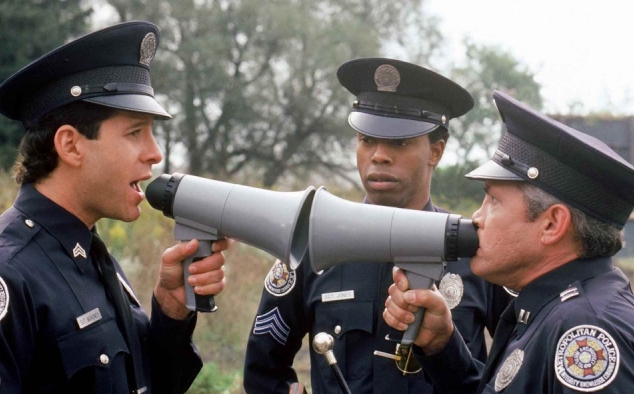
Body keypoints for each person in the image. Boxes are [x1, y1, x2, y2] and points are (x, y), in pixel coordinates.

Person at [243, 58, 511, 393]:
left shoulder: (476, 250)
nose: (378, 155)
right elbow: (263, 369)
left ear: (436, 151)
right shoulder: (311, 245)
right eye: (366, 140)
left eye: (399, 143)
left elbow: (520, 368)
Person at [0, 21, 229, 393]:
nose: (154, 153)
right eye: (135, 132)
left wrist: (171, 308)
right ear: (71, 145)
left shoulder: (87, 252)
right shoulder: (11, 272)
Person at [383, 90, 634, 393]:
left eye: (493, 200)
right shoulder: (553, 309)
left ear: (552, 224)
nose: (477, 217)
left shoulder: (584, 334)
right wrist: (442, 345)